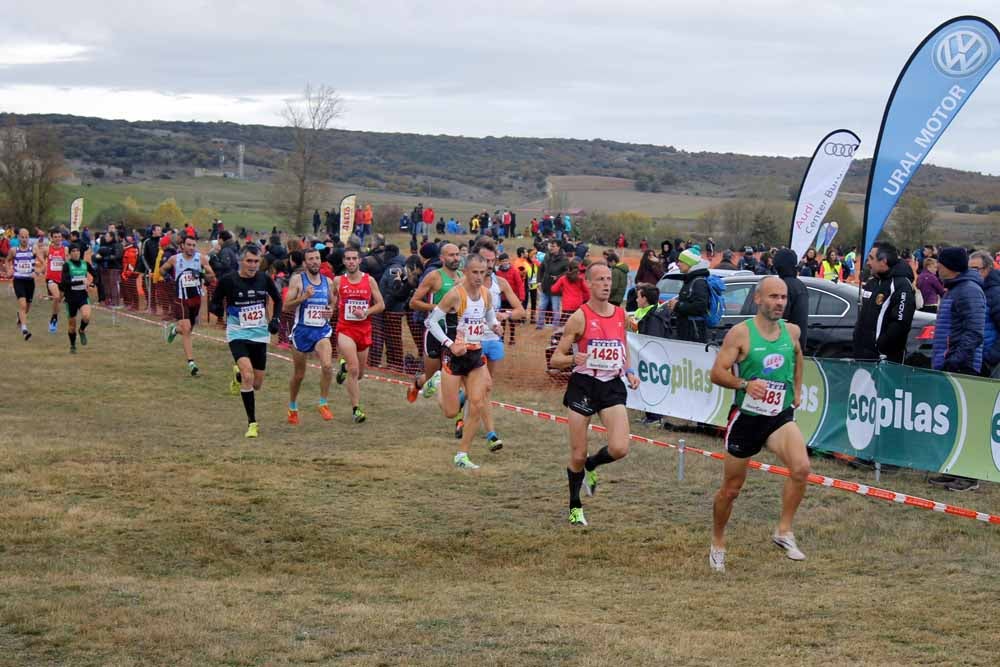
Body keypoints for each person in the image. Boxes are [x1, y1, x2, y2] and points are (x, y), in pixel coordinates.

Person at [708, 276, 809, 572]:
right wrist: (744, 384)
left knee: (801, 468)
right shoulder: (740, 334)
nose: (779, 302)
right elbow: (717, 373)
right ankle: (717, 541)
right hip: (747, 418)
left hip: (778, 416)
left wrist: (798, 391)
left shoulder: (791, 331)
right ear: (758, 299)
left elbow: (799, 357)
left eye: (783, 298)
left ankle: (783, 531)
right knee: (731, 489)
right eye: (773, 297)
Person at [549, 263, 640, 526]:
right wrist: (572, 359)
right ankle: (574, 505)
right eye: (600, 279)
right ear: (588, 283)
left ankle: (593, 464)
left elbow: (621, 346)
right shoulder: (579, 317)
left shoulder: (621, 314)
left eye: (609, 279)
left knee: (620, 447)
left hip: (611, 385)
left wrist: (629, 370)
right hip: (584, 385)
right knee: (576, 454)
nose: (606, 284)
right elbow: (556, 359)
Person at [423, 254, 503, 470]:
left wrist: (495, 325)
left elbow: (489, 316)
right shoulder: (455, 295)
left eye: (483, 272)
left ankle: (462, 454)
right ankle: (436, 382)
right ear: (466, 272)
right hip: (454, 357)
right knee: (450, 411)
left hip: (475, 355)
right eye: (475, 272)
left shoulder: (486, 294)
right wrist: (449, 344)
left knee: (477, 403)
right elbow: (430, 322)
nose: (479, 277)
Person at [927, 247, 986, 492]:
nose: (936, 267)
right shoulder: (955, 288)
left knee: (966, 421)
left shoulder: (969, 291)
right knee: (953, 421)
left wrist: (955, 359)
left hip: (963, 366)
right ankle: (954, 469)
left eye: (940, 263)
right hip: (949, 363)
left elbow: (975, 332)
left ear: (949, 266)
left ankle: (969, 476)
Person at [209, 245, 283, 438]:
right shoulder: (228, 280)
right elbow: (215, 302)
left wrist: (275, 319)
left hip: (259, 334)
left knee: (257, 384)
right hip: (237, 333)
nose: (253, 265)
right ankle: (252, 423)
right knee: (249, 376)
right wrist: (216, 309)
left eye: (256, 261)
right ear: (241, 261)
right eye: (249, 261)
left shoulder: (264, 279)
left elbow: (278, 299)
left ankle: (238, 376)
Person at [332, 247, 385, 423]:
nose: (351, 262)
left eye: (354, 258)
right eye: (347, 259)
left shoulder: (369, 281)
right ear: (344, 261)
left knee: (359, 373)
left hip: (364, 330)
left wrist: (366, 312)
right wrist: (327, 310)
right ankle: (356, 410)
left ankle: (344, 368)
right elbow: (332, 303)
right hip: (345, 329)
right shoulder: (338, 281)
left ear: (360, 260)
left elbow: (381, 305)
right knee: (355, 369)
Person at [283, 247, 336, 424]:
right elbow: (286, 306)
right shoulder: (298, 280)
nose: (314, 261)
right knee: (299, 375)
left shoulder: (327, 282)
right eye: (311, 259)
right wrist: (303, 297)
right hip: (302, 332)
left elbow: (332, 302)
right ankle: (292, 406)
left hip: (321, 331)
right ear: (305, 263)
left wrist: (330, 311)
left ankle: (323, 403)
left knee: (328, 366)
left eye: (317, 258)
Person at [406, 243, 462, 401]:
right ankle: (417, 385)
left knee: (452, 372)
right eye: (451, 255)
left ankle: (456, 412)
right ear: (442, 258)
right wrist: (439, 307)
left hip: (454, 332)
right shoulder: (434, 276)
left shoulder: (462, 277)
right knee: (431, 377)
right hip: (434, 331)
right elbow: (413, 302)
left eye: (457, 254)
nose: (456, 258)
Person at [160, 235, 216, 376]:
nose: (191, 248)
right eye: (189, 245)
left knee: (188, 329)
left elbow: (212, 275)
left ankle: (174, 330)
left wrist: (202, 275)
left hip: (195, 299)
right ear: (182, 246)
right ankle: (191, 363)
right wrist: (168, 278)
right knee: (186, 329)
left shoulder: (201, 258)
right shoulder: (175, 259)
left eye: (193, 245)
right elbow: (162, 269)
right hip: (180, 298)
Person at [852, 242, 915, 364]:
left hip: (883, 360)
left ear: (883, 261)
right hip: (863, 357)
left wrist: (881, 348)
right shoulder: (873, 283)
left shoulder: (900, 285)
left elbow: (900, 323)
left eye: (871, 258)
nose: (868, 263)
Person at [666, 247, 710, 343]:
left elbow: (701, 306)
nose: (678, 264)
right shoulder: (690, 280)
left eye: (681, 261)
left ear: (690, 263)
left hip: (693, 333)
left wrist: (677, 305)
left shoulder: (698, 282)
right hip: (687, 330)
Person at [59, 243, 97, 353]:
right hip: (70, 298)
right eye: (73, 251)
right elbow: (65, 282)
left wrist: (93, 283)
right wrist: (81, 281)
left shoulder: (85, 264)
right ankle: (72, 345)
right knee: (71, 326)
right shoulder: (67, 265)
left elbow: (96, 274)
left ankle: (82, 330)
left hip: (82, 295)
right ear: (70, 253)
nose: (76, 253)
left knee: (86, 316)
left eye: (77, 251)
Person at [971, 251, 1000, 378]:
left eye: (976, 269)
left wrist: (990, 357)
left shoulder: (996, 294)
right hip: (977, 361)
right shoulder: (974, 291)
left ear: (988, 269)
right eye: (969, 269)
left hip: (993, 364)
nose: (972, 273)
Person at [773, 248, 808, 350]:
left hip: (784, 344)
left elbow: (780, 317)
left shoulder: (783, 286)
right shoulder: (800, 285)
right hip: (797, 342)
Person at [10, 228, 39, 340]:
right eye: (22, 237)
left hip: (30, 282)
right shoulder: (14, 250)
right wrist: (9, 269)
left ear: (29, 238)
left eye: (26, 237)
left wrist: (37, 271)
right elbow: (8, 260)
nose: (24, 239)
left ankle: (20, 317)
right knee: (22, 305)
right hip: (18, 280)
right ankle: (24, 330)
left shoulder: (33, 250)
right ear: (18, 238)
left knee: (27, 307)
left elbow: (42, 263)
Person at [41, 228, 67, 333]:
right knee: (56, 297)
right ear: (51, 238)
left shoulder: (65, 250)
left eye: (59, 237)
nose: (57, 239)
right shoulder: (47, 249)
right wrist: (42, 269)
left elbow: (67, 263)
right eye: (55, 237)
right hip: (51, 279)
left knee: (58, 300)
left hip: (62, 280)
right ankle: (54, 319)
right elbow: (41, 259)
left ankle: (54, 316)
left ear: (62, 238)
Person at [537, 239, 568, 328]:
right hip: (545, 286)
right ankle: (540, 325)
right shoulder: (547, 256)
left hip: (556, 288)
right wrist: (539, 281)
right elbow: (541, 269)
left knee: (555, 308)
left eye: (553, 246)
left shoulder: (564, 259)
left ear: (558, 247)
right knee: (542, 306)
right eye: (550, 246)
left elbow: (567, 271)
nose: (551, 248)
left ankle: (555, 326)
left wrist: (558, 277)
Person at [550, 258, 590, 325]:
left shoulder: (563, 278)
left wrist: (562, 289)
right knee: (577, 326)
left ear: (569, 268)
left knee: (563, 326)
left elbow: (553, 289)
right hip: (578, 305)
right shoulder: (580, 279)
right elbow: (587, 291)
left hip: (567, 306)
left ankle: (558, 335)